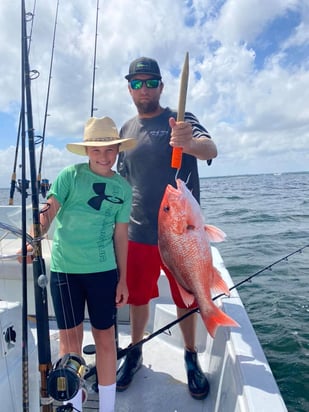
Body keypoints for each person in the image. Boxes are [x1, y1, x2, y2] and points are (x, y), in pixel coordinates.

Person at [116, 57, 218, 400]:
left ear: (160, 85)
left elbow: (210, 149)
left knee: (185, 296)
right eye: (136, 82)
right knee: (139, 296)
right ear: (129, 88)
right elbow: (122, 180)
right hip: (139, 232)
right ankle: (136, 349)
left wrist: (188, 143)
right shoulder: (125, 130)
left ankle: (190, 355)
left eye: (149, 82)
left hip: (179, 232)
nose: (143, 89)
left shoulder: (181, 118)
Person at [23, 117, 136, 412]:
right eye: (96, 150)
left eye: (110, 149)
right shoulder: (69, 176)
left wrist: (123, 279)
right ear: (86, 152)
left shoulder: (123, 188)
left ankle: (107, 406)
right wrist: (34, 237)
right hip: (65, 272)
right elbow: (48, 211)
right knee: (70, 342)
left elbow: (121, 235)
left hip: (103, 272)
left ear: (117, 151)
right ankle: (73, 403)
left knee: (106, 340)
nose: (103, 156)